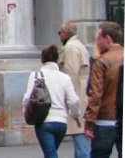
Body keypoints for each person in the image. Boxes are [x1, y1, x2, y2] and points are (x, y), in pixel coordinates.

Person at [24, 45, 81, 158]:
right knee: (50, 153)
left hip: (43, 121)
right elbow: (73, 101)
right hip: (61, 123)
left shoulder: (35, 76)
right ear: (57, 59)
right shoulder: (65, 77)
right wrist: (75, 115)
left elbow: (27, 99)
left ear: (42, 60)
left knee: (50, 154)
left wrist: (26, 114)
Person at [84, 21, 123, 158]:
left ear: (107, 39)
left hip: (105, 120)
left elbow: (95, 94)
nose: (96, 43)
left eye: (98, 39)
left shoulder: (101, 62)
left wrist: (89, 123)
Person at [58, 21, 91, 158]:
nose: (59, 35)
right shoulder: (79, 46)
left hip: (77, 97)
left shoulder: (70, 48)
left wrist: (70, 100)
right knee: (81, 137)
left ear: (65, 33)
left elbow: (70, 76)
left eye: (60, 32)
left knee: (80, 136)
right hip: (81, 95)